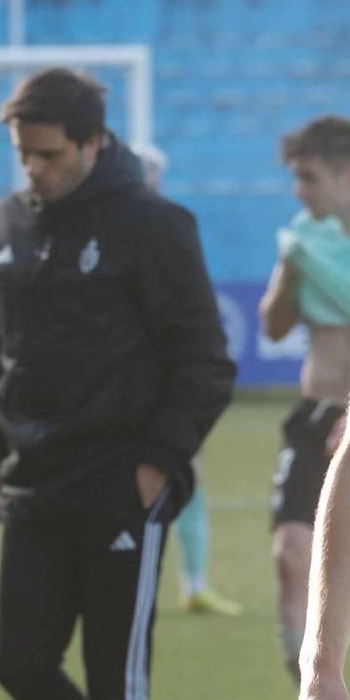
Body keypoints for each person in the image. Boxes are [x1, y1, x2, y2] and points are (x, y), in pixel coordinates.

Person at [0, 68, 233, 700]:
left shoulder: (153, 225)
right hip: (35, 484)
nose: (33, 170)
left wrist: (156, 464)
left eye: (48, 155)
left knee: (115, 675)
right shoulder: (6, 223)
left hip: (123, 486)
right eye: (23, 154)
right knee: (20, 664)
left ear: (92, 143)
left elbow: (205, 361)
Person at [257, 117, 350, 700]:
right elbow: (274, 326)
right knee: (290, 557)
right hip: (313, 416)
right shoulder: (304, 239)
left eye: (308, 177)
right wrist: (288, 267)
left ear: (348, 173)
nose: (299, 191)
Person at [134, 143, 241, 619]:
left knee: (186, 474)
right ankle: (174, 580)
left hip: (163, 380)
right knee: (168, 475)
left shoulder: (162, 227)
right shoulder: (147, 229)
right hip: (141, 383)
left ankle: (192, 583)